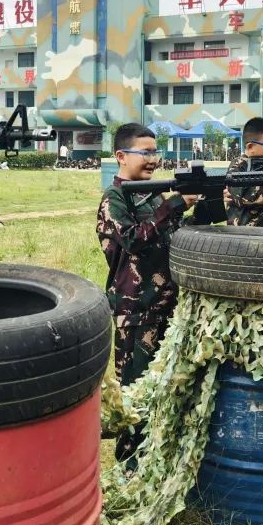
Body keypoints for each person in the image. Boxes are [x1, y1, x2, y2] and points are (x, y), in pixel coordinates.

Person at [96, 123, 197, 459]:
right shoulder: (114, 200)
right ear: (121, 156)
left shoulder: (153, 193)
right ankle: (129, 465)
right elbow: (134, 240)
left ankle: (158, 457)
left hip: (168, 305)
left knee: (166, 386)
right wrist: (174, 204)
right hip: (136, 310)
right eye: (146, 152)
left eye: (156, 152)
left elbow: (177, 236)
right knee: (135, 391)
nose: (153, 159)